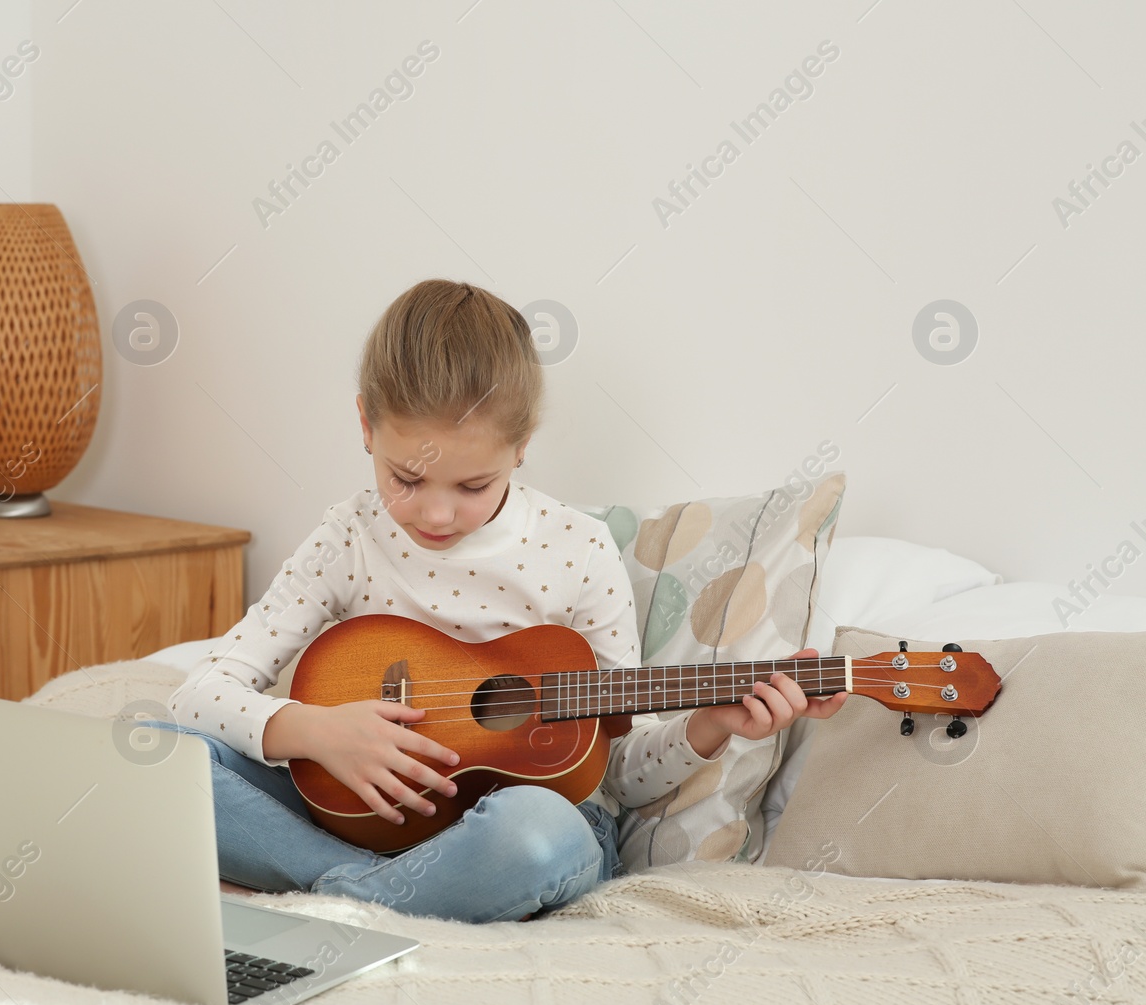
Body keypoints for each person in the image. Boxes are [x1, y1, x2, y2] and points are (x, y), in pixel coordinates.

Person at [149, 279, 847, 924]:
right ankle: (369, 887)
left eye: (472, 485)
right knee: (153, 753)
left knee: (540, 836)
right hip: (357, 818)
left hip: (515, 830)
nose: (438, 513)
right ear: (365, 424)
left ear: (521, 448)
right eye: (406, 478)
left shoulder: (578, 549)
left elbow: (622, 774)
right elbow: (199, 693)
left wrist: (712, 724)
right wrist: (315, 731)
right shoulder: (350, 536)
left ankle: (337, 890)